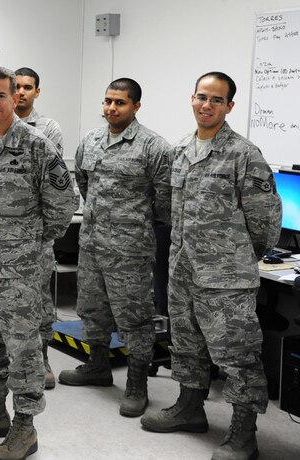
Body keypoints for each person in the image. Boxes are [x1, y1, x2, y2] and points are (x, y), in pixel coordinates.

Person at [140, 72, 282, 460]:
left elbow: (266, 223)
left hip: (226, 278)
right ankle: (189, 407)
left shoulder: (244, 154)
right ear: (192, 99)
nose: (207, 105)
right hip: (183, 270)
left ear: (229, 106)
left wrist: (234, 258)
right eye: (202, 97)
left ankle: (243, 433)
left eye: (216, 100)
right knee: (186, 346)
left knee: (237, 357)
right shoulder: (182, 148)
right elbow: (173, 210)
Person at [0, 66, 76, 460]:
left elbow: (64, 204)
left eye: (0, 96)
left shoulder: (37, 145)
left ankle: (25, 425)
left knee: (22, 348)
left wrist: (33, 243)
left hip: (20, 271)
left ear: (14, 98)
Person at [57, 78, 171, 418]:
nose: (111, 108)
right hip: (91, 246)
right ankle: (97, 367)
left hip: (130, 252)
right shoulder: (91, 140)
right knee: (92, 310)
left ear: (135, 106)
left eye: (119, 102)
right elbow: (83, 184)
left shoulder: (154, 147)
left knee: (134, 319)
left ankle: (137, 385)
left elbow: (165, 202)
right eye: (107, 101)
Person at [17, 67, 66, 390]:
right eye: (16, 87)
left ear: (37, 92)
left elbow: (55, 183)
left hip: (34, 231)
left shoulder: (47, 129)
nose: (21, 92)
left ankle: (43, 359)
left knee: (39, 300)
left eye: (28, 87)